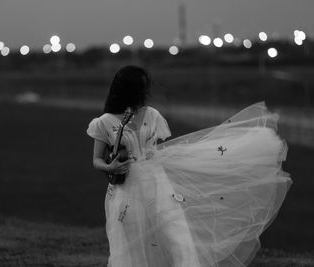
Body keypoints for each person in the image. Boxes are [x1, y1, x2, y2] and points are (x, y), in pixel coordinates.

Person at [86, 65, 292, 267]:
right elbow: (97, 159)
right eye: (140, 88)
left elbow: (153, 149)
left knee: (174, 233)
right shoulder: (104, 122)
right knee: (130, 237)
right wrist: (109, 167)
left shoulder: (152, 115)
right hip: (126, 187)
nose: (144, 93)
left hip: (157, 182)